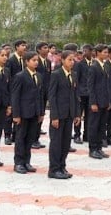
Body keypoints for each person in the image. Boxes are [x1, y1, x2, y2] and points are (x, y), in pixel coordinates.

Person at [48, 48, 80, 179]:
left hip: (69, 113)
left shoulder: (74, 74)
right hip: (59, 114)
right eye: (69, 60)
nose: (72, 62)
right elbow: (52, 96)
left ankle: (62, 166)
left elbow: (75, 95)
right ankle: (54, 169)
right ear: (62, 60)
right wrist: (54, 116)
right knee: (56, 142)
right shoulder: (56, 74)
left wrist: (77, 114)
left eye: (73, 60)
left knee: (66, 142)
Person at [11, 52, 43, 174]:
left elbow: (40, 96)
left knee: (30, 138)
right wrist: (16, 115)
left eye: (37, 60)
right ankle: (18, 162)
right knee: (20, 138)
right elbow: (15, 96)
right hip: (23, 113)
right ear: (26, 61)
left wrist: (40, 113)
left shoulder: (38, 76)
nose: (36, 62)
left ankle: (26, 161)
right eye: (33, 60)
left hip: (34, 113)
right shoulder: (20, 76)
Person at [87, 44, 111, 160]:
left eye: (107, 52)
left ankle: (99, 147)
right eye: (104, 52)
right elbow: (91, 86)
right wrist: (93, 102)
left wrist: (108, 101)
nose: (106, 54)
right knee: (94, 125)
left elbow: (106, 85)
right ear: (98, 53)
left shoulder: (105, 66)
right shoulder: (93, 67)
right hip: (96, 101)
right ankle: (93, 149)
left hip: (104, 101)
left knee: (102, 126)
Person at [73, 44, 93, 144]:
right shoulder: (79, 64)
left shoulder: (94, 64)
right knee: (78, 115)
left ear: (92, 52)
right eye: (83, 51)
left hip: (91, 94)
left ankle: (87, 135)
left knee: (89, 115)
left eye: (87, 51)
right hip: (81, 94)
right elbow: (76, 80)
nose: (84, 53)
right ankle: (77, 135)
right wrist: (77, 94)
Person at [33, 42, 51, 149]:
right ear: (39, 50)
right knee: (34, 116)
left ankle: (36, 138)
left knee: (41, 115)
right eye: (45, 48)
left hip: (44, 93)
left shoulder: (48, 62)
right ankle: (32, 139)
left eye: (47, 47)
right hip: (36, 93)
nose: (47, 49)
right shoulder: (35, 61)